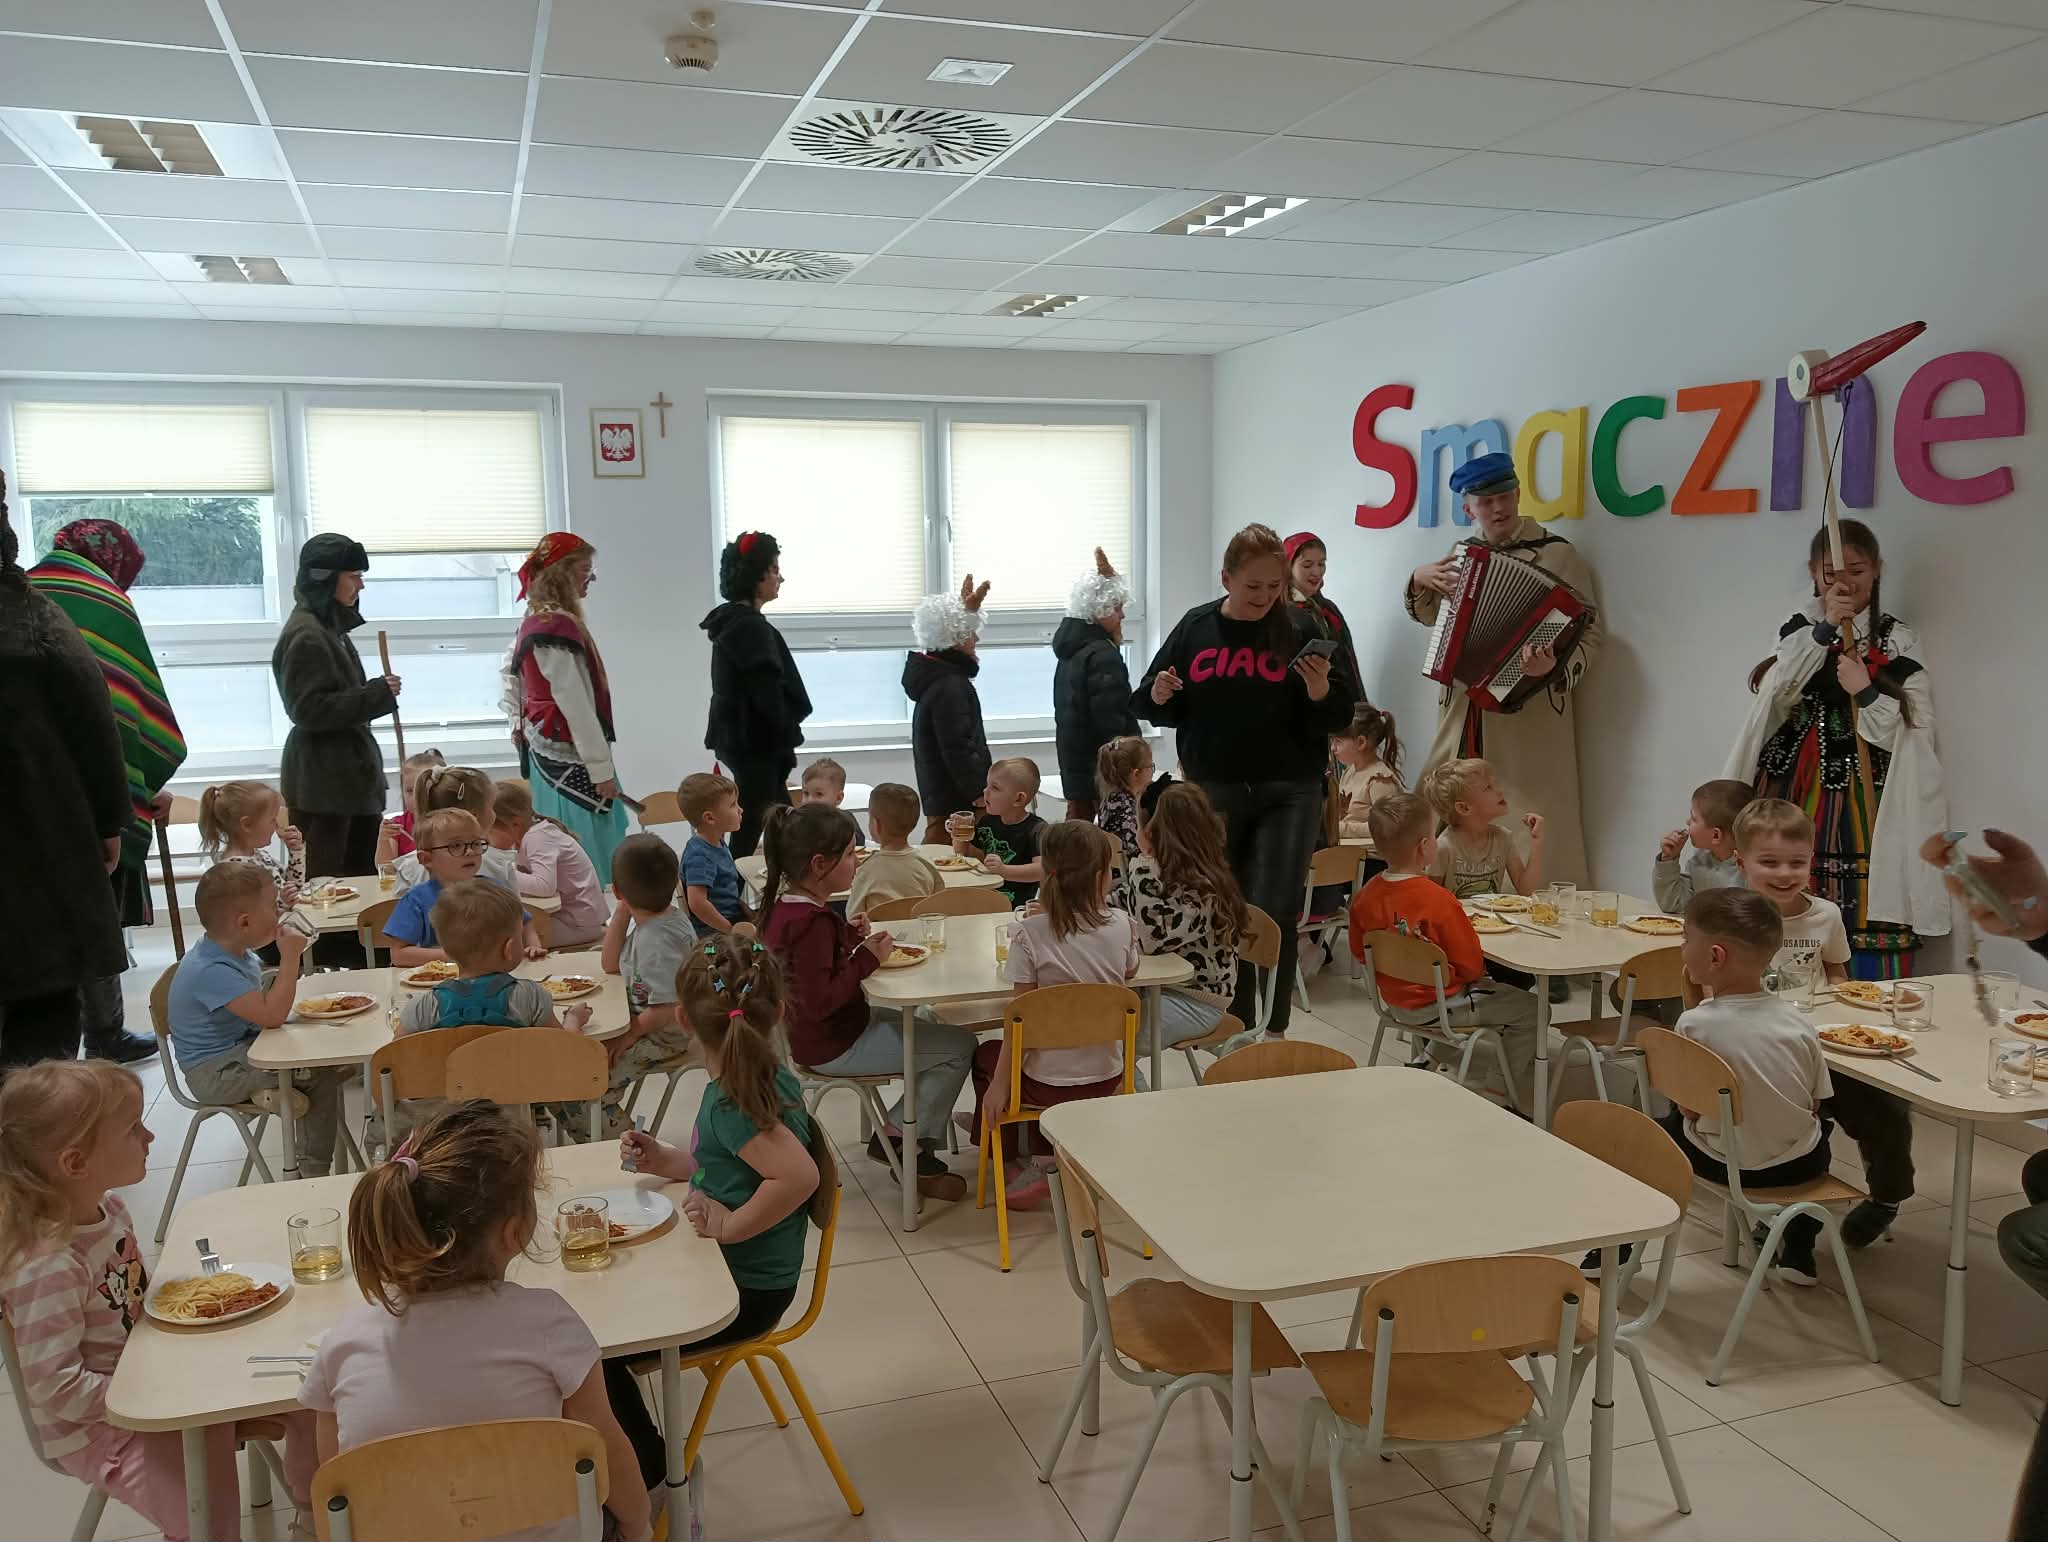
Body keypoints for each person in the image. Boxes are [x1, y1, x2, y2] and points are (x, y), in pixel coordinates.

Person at [301, 1102, 652, 1542]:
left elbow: (329, 1484)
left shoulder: (343, 1343)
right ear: (515, 1232)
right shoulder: (549, 1324)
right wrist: (637, 1523)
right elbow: (606, 1449)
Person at [0, 1060, 318, 1539]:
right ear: (75, 1164)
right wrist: (156, 1394)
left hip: (156, 1380)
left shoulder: (109, 1209)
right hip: (105, 1428)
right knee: (204, 1515)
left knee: (311, 1390)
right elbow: (56, 1388)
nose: (149, 1136)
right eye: (133, 1129)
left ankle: (315, 1513)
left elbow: (137, 1303)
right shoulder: (48, 1266)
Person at [603, 936, 835, 1496]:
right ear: (778, 1012)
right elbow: (730, 1164)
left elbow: (798, 1177)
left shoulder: (733, 1101)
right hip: (734, 1273)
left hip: (743, 1293)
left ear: (683, 1019)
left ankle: (654, 1477)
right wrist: (667, 1161)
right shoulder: (758, 1077)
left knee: (596, 1355)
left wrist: (729, 1226)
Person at [1136, 523, 1355, 1038]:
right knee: (1225, 905)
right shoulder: (1196, 627)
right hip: (1215, 787)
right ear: (1226, 579)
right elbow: (1150, 701)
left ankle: (1274, 1030)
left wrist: (1320, 691)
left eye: (1274, 586)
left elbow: (1343, 713)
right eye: (1252, 586)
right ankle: (1236, 1023)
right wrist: (1160, 692)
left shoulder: (1301, 627)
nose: (1263, 597)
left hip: (1290, 788)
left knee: (1275, 908)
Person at [1727, 519, 1948, 979]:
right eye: (1831, 572)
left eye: (1858, 570)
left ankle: (1859, 986)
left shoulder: (1897, 638)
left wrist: (1866, 692)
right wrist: (1825, 627)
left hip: (1860, 784)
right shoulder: (1799, 629)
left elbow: (1912, 730)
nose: (1844, 582)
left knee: (1863, 884)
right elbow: (1779, 693)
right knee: (1781, 863)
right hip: (1791, 777)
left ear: (1877, 570)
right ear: (1814, 572)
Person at [0, 473, 150, 1071]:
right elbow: (93, 718)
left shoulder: (39, 600)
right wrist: (110, 820)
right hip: (36, 844)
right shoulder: (32, 613)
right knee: (38, 1047)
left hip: (36, 846)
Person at [27, 519, 188, 1063]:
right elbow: (114, 714)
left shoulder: (25, 591)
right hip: (86, 795)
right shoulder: (105, 602)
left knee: (39, 926)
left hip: (26, 790)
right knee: (94, 914)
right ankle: (103, 1033)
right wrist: (128, 792)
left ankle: (46, 1065)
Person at [1403, 452, 1602, 887]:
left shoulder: (1559, 554)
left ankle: (1535, 903)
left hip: (1526, 712)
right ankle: (1429, 899)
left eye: (1505, 496)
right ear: (1468, 507)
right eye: (1485, 501)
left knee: (1525, 808)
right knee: (1439, 799)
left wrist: (1553, 667)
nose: (1498, 508)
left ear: (1517, 494)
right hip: (1464, 708)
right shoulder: (1461, 554)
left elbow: (1590, 634)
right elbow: (1434, 617)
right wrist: (1418, 579)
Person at [759, 803, 974, 1201]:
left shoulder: (791, 910)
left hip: (832, 1031)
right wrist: (866, 959)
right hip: (834, 1043)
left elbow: (814, 968)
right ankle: (900, 1137)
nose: (856, 863)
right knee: (960, 1046)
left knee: (929, 1022)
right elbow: (821, 1000)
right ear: (820, 864)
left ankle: (910, 1135)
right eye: (848, 855)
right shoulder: (810, 923)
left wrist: (848, 936)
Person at [1737, 798, 1913, 1247]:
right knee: (1793, 1123)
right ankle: (1785, 1207)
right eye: (1769, 862)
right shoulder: (1730, 919)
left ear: (1811, 860)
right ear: (1741, 863)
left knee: (1887, 1111)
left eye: (1797, 863)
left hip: (1823, 1043)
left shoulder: (1825, 915)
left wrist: (1843, 1006)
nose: (1784, 874)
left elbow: (1836, 970)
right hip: (1765, 1049)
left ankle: (1887, 1198)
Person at [1665, 888, 1836, 1285]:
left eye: (1686, 939)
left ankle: (1622, 1248)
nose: (1683, 949)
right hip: (1799, 1169)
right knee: (1819, 1133)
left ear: (1715, 957)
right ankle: (1799, 1250)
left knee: (1657, 1133)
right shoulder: (1798, 1021)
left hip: (1726, 1166)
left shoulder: (1694, 1024)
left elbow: (1690, 1109)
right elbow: (1815, 1103)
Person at [976, 821, 1140, 1209]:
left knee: (985, 1055)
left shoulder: (1029, 935)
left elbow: (1018, 1022)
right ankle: (1038, 1147)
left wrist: (999, 1085)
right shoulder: (1123, 925)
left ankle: (1016, 1151)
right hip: (1109, 1076)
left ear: (1047, 874)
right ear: (1101, 878)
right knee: (1033, 1055)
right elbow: (1130, 971)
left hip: (1048, 1085)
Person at [1348, 793, 1538, 1110]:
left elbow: (1359, 952)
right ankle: (1498, 1089)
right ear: (1425, 847)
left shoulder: (1365, 896)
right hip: (1440, 1006)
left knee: (1471, 998)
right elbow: (1472, 966)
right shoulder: (1439, 900)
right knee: (1532, 1009)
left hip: (1394, 1003)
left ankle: (1429, 1057)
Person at [272, 533, 399, 965]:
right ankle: (334, 968)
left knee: (356, 880)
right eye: (354, 575)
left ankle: (359, 962)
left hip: (341, 780)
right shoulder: (308, 636)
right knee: (330, 888)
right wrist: (375, 695)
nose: (360, 585)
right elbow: (307, 709)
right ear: (326, 577)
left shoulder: (326, 629)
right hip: (325, 784)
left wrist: (372, 695)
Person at [167, 864, 342, 1177]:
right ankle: (312, 1173)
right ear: (244, 922)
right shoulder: (211, 970)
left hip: (241, 1048)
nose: (280, 913)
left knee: (324, 1053)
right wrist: (291, 958)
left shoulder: (236, 952)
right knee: (317, 1073)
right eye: (274, 906)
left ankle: (276, 1090)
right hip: (215, 1073)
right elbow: (271, 1017)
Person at [506, 532, 628, 884]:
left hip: (550, 750)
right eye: (585, 570)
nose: (591, 578)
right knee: (588, 853)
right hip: (569, 755)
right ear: (561, 574)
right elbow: (575, 702)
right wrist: (600, 768)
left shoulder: (535, 620)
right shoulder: (552, 628)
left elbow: (510, 678)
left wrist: (516, 722)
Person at [1113, 779, 1253, 1057]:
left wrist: (1142, 868)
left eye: (1137, 826)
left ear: (1151, 832)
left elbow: (1152, 940)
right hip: (1161, 989)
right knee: (1100, 1027)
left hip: (1198, 1002)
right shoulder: (1172, 872)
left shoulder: (1202, 888)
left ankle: (1127, 1087)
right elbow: (1122, 901)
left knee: (1115, 1047)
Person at [704, 531, 810, 860]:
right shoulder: (749, 628)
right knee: (752, 826)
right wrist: (784, 733)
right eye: (774, 569)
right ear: (756, 576)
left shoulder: (734, 622)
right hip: (755, 746)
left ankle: (777, 883)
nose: (780, 578)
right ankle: (731, 889)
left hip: (744, 744)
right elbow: (768, 696)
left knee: (779, 821)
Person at [596, 833, 701, 1133]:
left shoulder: (657, 942)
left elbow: (667, 1008)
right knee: (583, 1068)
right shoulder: (664, 919)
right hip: (648, 1025)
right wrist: (622, 911)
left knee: (592, 1082)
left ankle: (632, 1148)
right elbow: (610, 964)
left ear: (617, 890)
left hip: (666, 1038)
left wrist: (630, 1034)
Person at [382, 809, 545, 968]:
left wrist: (532, 946)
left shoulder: (493, 890)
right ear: (426, 859)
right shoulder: (416, 900)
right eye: (456, 845)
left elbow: (524, 921)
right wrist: (458, 957)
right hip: (441, 979)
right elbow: (399, 955)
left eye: (476, 843)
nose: (470, 852)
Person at [904, 576, 992, 847]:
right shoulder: (951, 686)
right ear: (954, 637)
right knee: (948, 855)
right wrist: (979, 790)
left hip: (942, 793)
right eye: (970, 632)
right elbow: (959, 747)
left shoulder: (937, 679)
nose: (976, 638)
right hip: (957, 798)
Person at [1053, 547, 1139, 822]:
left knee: (1077, 832)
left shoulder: (1071, 651)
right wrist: (1130, 760)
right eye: (1117, 608)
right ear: (1098, 610)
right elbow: (1111, 720)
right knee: (1111, 837)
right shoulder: (1102, 654)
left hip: (1076, 767)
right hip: (1103, 772)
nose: (1122, 615)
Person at [489, 777, 607, 949]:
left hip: (578, 924)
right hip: (569, 918)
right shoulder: (529, 835)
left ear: (515, 823)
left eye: (490, 832)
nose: (488, 840)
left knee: (500, 940)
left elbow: (544, 886)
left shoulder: (538, 838)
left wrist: (502, 872)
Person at [380, 765, 520, 893]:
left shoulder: (409, 868)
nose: (494, 814)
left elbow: (399, 908)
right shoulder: (499, 865)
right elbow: (515, 910)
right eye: (491, 807)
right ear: (474, 815)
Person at [1420, 757, 1544, 899]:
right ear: (1464, 808)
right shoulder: (1444, 847)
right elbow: (1430, 899)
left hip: (1491, 914)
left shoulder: (1503, 838)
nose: (1500, 791)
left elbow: (1526, 890)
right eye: (1488, 787)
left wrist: (1537, 840)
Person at [198, 779, 305, 913]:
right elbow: (253, 919)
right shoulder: (235, 873)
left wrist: (296, 851)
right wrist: (282, 904)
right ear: (247, 825)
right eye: (272, 819)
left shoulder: (260, 856)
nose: (276, 825)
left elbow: (294, 887)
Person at [1654, 777, 1752, 914]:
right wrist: (1669, 860)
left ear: (1716, 835)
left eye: (1694, 818)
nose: (1687, 821)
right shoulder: (1700, 860)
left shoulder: (1749, 874)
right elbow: (1673, 904)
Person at [957, 758, 1047, 907]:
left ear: (1018, 799)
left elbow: (1041, 870)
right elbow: (962, 854)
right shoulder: (987, 821)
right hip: (984, 897)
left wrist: (1004, 870)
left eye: (995, 788)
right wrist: (960, 832)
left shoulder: (1037, 829)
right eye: (987, 785)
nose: (985, 791)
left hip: (1015, 908)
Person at [846, 783, 942, 916]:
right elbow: (938, 903)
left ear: (876, 825)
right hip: (918, 928)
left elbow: (853, 916)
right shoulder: (926, 863)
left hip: (879, 929)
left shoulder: (866, 870)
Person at [1284, 531, 1361, 692]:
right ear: (1288, 567)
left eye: (1321, 564)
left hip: (1340, 698)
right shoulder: (1281, 612)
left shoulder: (1328, 609)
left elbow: (1349, 663)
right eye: (1307, 565)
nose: (1317, 572)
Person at [679, 771, 750, 936]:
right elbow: (697, 904)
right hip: (714, 931)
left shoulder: (716, 841)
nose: (740, 810)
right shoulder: (700, 856)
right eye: (733, 805)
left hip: (730, 915)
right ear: (710, 818)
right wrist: (730, 930)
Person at [1333, 704, 1404, 842]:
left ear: (1361, 742)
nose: (1333, 748)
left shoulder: (1380, 780)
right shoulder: (1349, 771)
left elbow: (1387, 827)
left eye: (1338, 742)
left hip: (1368, 854)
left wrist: (1339, 829)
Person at [1093, 735, 1153, 860]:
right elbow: (1137, 850)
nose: (1152, 772)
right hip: (1131, 866)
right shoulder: (1126, 808)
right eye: (1150, 767)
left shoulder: (1112, 799)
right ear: (1136, 773)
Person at [384, 747, 445, 858]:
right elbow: (385, 865)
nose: (416, 797)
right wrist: (383, 840)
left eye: (424, 790)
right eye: (410, 790)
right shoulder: (397, 826)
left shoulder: (453, 823)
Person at [800, 757, 865, 846]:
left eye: (819, 794)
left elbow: (859, 842)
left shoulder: (846, 819)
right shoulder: (799, 820)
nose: (810, 800)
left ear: (838, 798)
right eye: (806, 793)